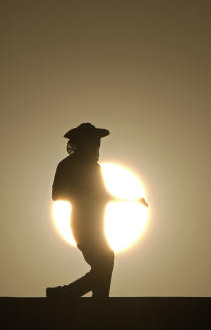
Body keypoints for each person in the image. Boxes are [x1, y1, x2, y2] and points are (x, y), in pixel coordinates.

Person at [46, 123, 147, 298]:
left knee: (105, 263)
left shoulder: (95, 168)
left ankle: (95, 301)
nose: (96, 145)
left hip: (98, 225)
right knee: (105, 263)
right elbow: (57, 195)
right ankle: (65, 294)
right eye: (92, 141)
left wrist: (132, 200)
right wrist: (83, 195)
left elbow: (104, 195)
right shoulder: (67, 165)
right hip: (82, 224)